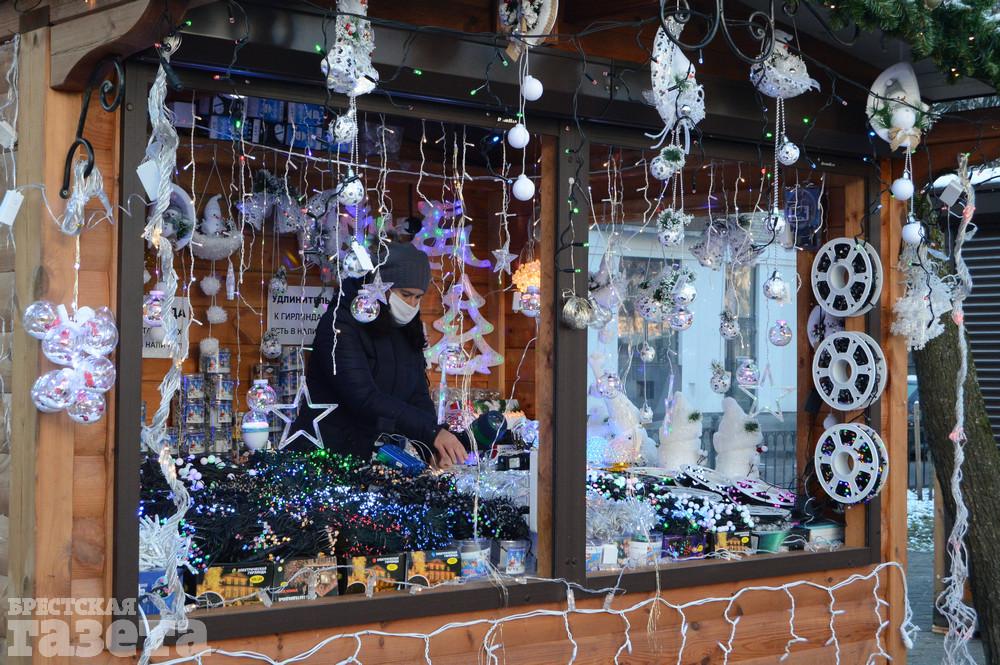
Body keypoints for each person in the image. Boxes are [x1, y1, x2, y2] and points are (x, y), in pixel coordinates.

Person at [289, 242, 468, 468]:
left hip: (373, 459)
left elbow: (417, 394)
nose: (411, 304)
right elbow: (363, 396)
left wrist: (430, 447)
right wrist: (431, 432)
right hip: (324, 457)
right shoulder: (339, 325)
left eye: (418, 297)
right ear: (382, 286)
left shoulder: (406, 330)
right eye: (406, 294)